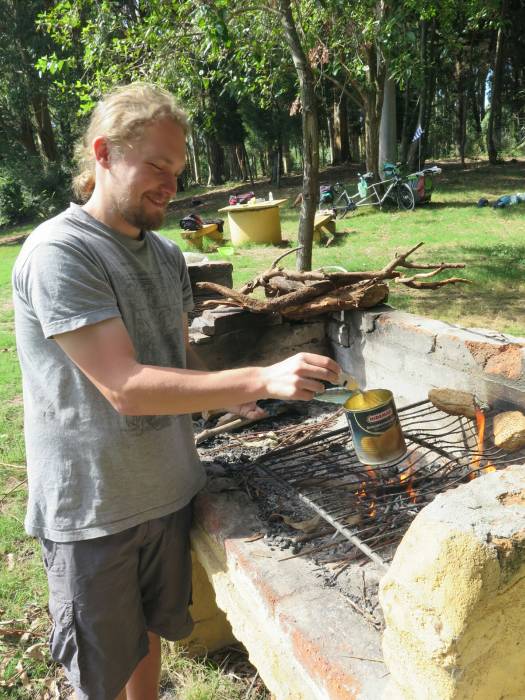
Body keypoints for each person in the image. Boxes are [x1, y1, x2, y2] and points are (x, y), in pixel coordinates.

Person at [12, 83, 341, 700]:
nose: (170, 183)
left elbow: (173, 353)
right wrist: (263, 376)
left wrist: (223, 396)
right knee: (100, 675)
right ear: (104, 154)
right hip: (94, 506)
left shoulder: (164, 255)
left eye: (177, 169)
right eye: (156, 166)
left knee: (150, 637)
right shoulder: (61, 253)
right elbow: (127, 387)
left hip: (167, 487)